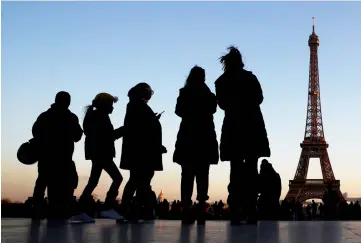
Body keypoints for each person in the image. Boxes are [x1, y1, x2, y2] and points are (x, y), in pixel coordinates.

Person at [215, 46, 271, 224]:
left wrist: (235, 106)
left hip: (233, 127)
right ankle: (251, 208)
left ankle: (236, 209)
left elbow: (222, 104)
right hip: (252, 126)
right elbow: (260, 98)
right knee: (252, 169)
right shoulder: (250, 78)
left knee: (235, 169)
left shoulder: (221, 81)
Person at [173, 66, 219, 224]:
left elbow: (178, 111)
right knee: (203, 173)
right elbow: (213, 109)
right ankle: (201, 206)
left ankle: (186, 207)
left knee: (186, 174)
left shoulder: (184, 92)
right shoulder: (208, 94)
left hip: (188, 136)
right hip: (204, 137)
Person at [32, 91, 83, 220]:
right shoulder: (70, 117)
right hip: (61, 156)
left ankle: (39, 209)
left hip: (48, 155)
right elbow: (77, 136)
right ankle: (57, 210)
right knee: (61, 183)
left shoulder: (45, 116)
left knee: (44, 182)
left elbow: (35, 132)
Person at [119, 83, 167, 222]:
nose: (151, 94)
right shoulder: (137, 105)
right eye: (149, 91)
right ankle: (132, 209)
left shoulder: (136, 104)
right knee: (139, 180)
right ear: (143, 91)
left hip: (142, 150)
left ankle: (135, 209)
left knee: (138, 180)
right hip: (142, 151)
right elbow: (140, 129)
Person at [77, 93, 124, 221]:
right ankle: (107, 207)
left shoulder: (94, 115)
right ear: (105, 105)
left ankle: (80, 209)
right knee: (117, 178)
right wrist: (125, 129)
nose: (113, 108)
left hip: (97, 152)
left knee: (93, 181)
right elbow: (109, 136)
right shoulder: (100, 117)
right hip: (102, 153)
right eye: (111, 105)